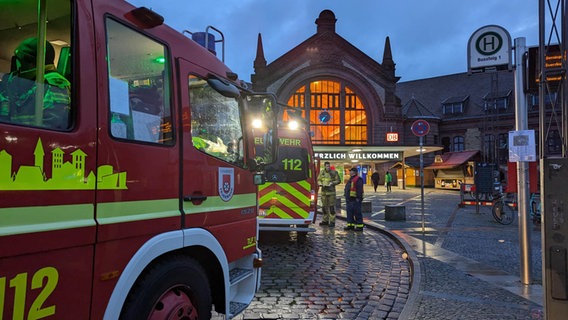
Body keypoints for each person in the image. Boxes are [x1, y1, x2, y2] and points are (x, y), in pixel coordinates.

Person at [0, 37, 71, 129]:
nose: (18, 66)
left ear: (30, 62)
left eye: (19, 60)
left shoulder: (54, 84)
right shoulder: (27, 81)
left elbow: (52, 125)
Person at [317, 161, 341, 227]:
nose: (328, 167)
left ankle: (332, 221)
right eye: (327, 166)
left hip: (331, 192)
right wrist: (320, 183)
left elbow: (338, 180)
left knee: (331, 207)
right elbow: (318, 179)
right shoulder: (322, 172)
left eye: (329, 166)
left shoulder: (334, 172)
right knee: (324, 207)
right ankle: (325, 220)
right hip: (324, 192)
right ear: (324, 166)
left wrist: (332, 183)